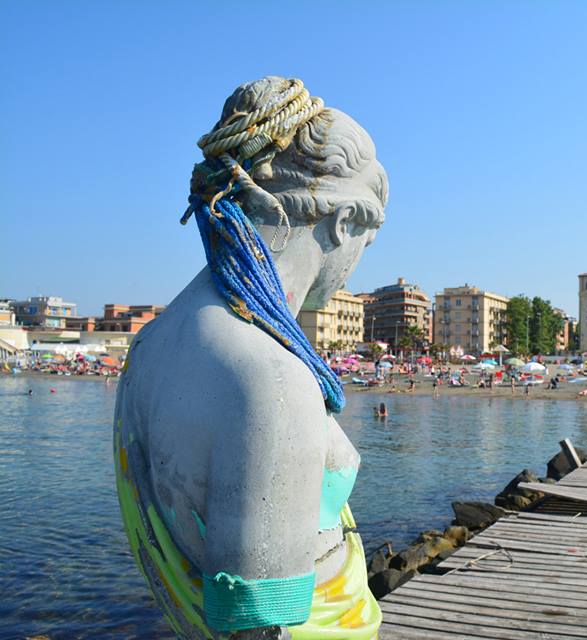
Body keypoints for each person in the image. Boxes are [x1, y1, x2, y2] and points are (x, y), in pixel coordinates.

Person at [112, 77, 386, 638]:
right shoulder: (269, 380)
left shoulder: (152, 342)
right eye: (368, 240)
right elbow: (257, 627)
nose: (359, 261)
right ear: (342, 222)